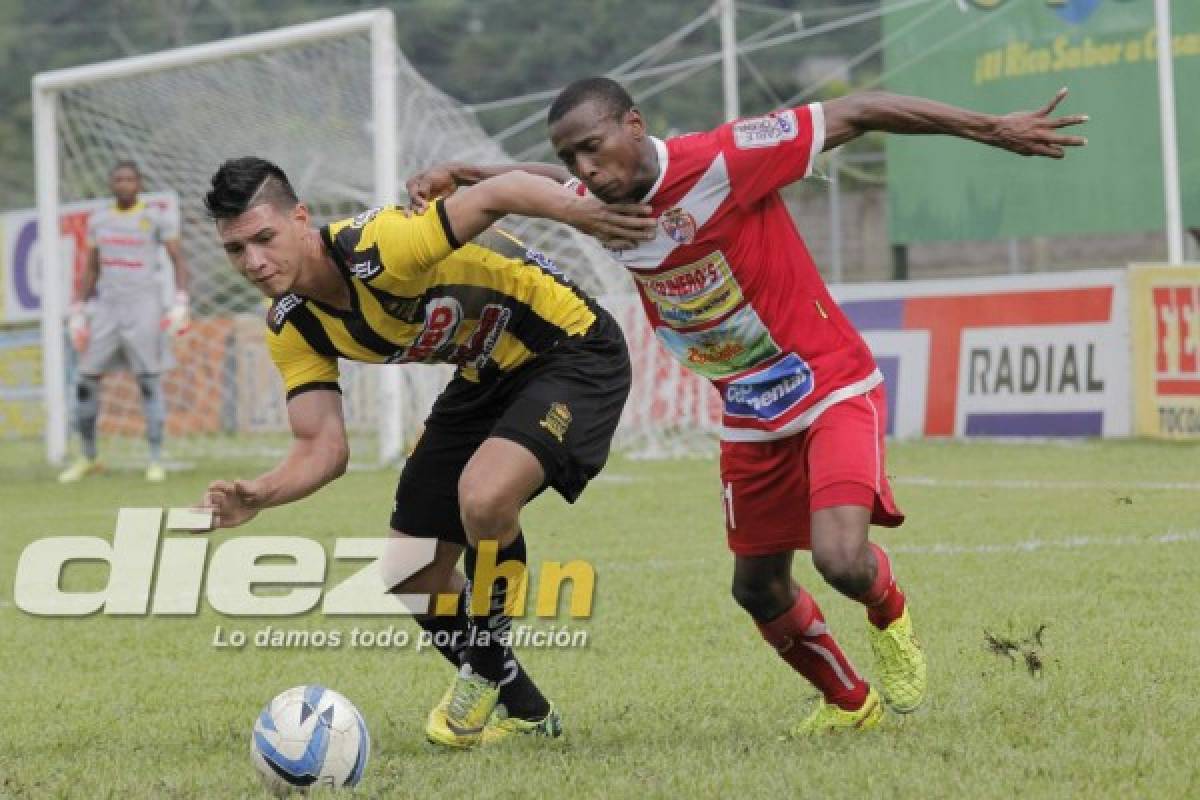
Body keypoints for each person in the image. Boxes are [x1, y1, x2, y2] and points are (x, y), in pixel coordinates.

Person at [407, 78, 1088, 735]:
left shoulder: (726, 158)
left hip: (829, 387)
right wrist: (470, 174)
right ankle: (849, 703)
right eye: (571, 158)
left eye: (593, 147)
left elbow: (863, 108)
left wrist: (992, 127)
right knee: (757, 589)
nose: (586, 170)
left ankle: (890, 615)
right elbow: (546, 185)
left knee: (842, 560)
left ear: (634, 126)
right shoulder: (594, 200)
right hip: (748, 412)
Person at [197, 157, 654, 749]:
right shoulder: (292, 326)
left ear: (301, 219)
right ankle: (528, 714)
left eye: (265, 238)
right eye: (237, 250)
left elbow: (502, 193)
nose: (254, 262)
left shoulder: (380, 246)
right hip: (485, 372)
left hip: (570, 347)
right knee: (411, 571)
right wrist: (260, 493)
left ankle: (484, 668)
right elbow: (323, 447)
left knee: (485, 496)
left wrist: (586, 214)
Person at [58, 160, 191, 483]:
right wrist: (78, 306)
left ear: (139, 183)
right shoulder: (99, 220)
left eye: (130, 179)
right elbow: (91, 268)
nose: (124, 184)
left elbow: (177, 259)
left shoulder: (155, 218)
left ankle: (155, 458)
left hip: (143, 306)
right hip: (105, 308)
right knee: (86, 380)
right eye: (118, 179)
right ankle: (89, 457)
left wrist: (181, 300)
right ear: (111, 184)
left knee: (147, 380)